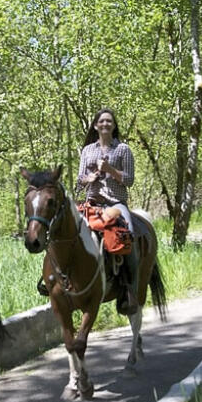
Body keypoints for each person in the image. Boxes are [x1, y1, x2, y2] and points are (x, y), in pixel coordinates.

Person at [76, 107, 140, 310]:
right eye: (101, 121)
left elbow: (129, 180)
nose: (105, 124)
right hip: (92, 204)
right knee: (65, 230)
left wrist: (110, 170)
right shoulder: (87, 150)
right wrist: (89, 178)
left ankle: (128, 288)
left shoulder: (123, 150)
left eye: (109, 121)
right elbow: (79, 181)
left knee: (127, 234)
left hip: (115, 204)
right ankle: (57, 280)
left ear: (113, 126)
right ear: (95, 125)